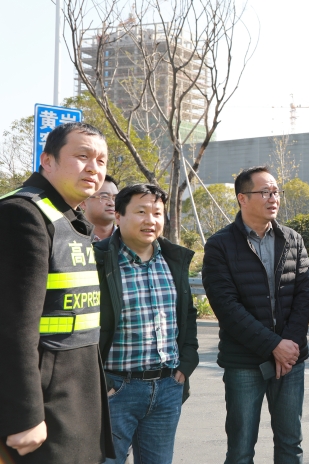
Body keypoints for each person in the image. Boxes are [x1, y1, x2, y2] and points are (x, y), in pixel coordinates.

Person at [0, 122, 115, 463]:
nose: (93, 167)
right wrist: (25, 416)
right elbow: (13, 326)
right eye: (82, 156)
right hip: (44, 409)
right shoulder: (22, 215)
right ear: (47, 161)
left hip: (74, 398)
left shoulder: (67, 217)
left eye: (101, 160)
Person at [202, 166, 309, 464]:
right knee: (241, 449)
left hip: (291, 360)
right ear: (242, 198)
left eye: (276, 192)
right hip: (244, 362)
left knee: (291, 444)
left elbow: (304, 296)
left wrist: (288, 346)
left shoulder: (293, 239)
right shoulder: (219, 245)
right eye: (265, 192)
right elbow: (227, 308)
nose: (273, 198)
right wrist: (273, 346)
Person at [93, 183, 199, 463]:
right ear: (118, 216)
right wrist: (102, 382)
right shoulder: (98, 260)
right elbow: (83, 326)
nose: (150, 220)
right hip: (116, 389)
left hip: (167, 387)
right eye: (141, 212)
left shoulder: (173, 260)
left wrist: (187, 361)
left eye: (157, 213)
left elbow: (187, 315)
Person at [81, 174, 119, 241]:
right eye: (104, 197)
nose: (112, 203)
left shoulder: (129, 240)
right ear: (83, 203)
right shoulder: (69, 238)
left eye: (115, 198)